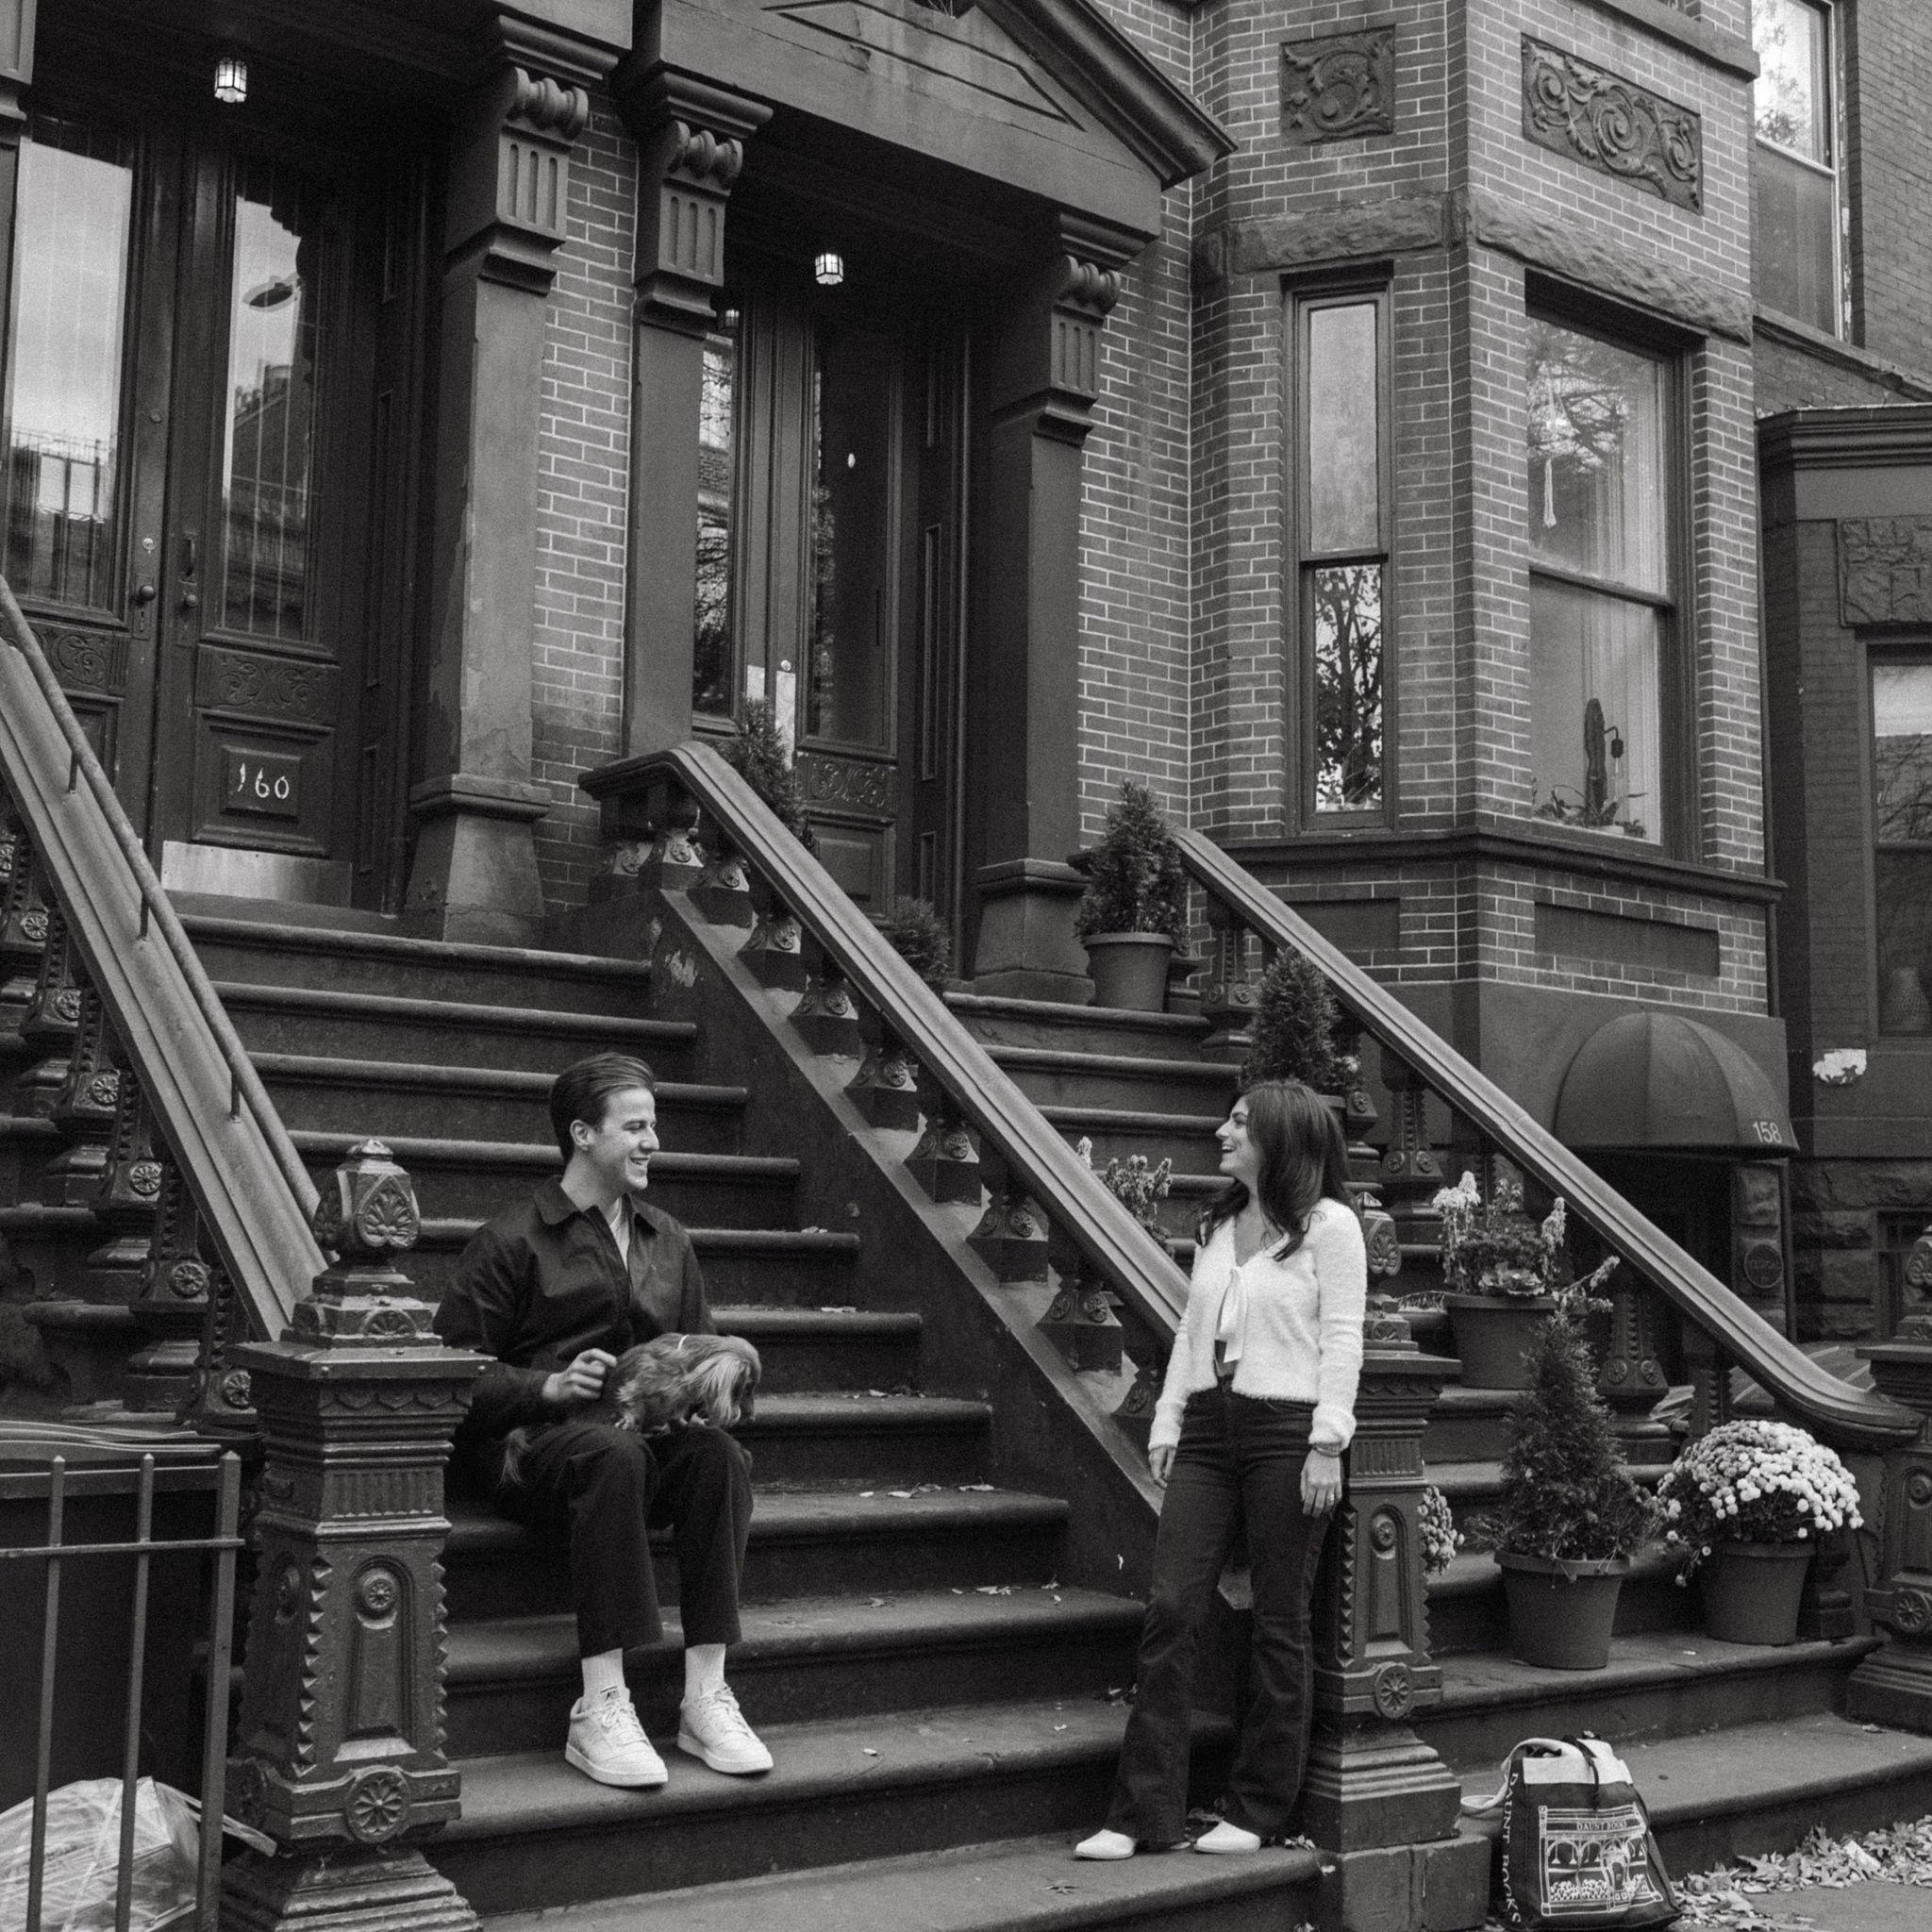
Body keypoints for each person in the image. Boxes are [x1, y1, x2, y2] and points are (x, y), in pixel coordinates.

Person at [432, 1052, 772, 1789]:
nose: (653, 1141)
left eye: (654, 1126)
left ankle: (706, 1695)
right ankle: (602, 1704)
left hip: (636, 1448)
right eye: (636, 1127)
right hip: (536, 1453)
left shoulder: (668, 1238)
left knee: (717, 1456)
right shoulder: (511, 1239)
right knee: (612, 1455)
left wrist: (706, 1388)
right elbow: (449, 1375)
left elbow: (695, 1347)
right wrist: (546, 1386)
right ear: (583, 1134)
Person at [1076, 1079, 1366, 1858]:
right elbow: (1189, 1331)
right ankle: (1141, 1816)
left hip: (1287, 1430)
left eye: (1239, 1122)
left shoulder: (1330, 1227)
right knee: (1171, 1607)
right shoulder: (1219, 1224)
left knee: (1279, 1619)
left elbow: (1343, 1336)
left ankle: (1257, 1809)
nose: (1222, 1131)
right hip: (1209, 1427)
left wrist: (1327, 1442)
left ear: (1279, 1136)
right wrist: (1169, 1417)